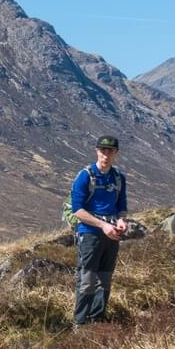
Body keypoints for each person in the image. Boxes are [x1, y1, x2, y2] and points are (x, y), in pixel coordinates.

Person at [70, 135, 130, 327]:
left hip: (112, 235)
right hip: (90, 234)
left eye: (110, 150)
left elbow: (121, 206)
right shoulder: (85, 176)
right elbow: (77, 210)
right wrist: (102, 225)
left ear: (116, 153)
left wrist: (121, 221)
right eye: (102, 150)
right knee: (87, 279)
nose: (106, 154)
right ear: (97, 151)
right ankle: (80, 322)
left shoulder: (119, 178)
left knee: (104, 279)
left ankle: (98, 320)